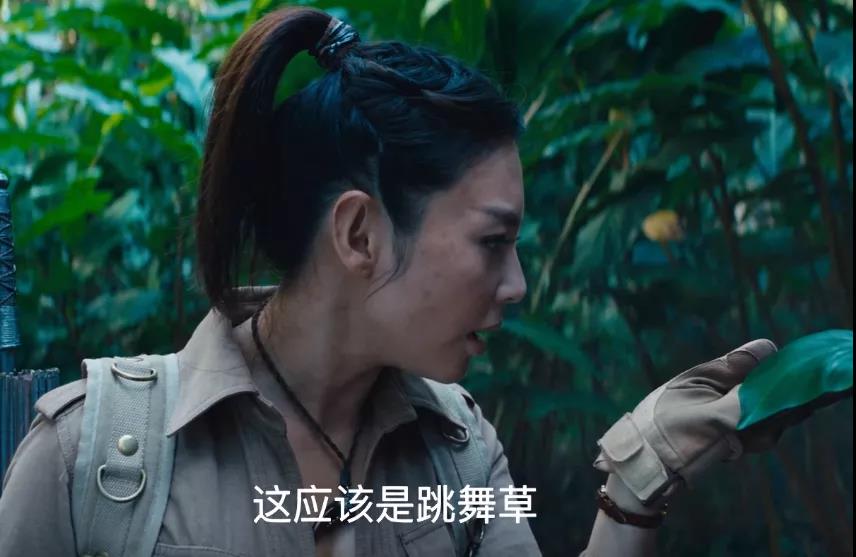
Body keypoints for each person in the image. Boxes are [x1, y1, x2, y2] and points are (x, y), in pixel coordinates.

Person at [0, 6, 799, 557]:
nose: (516, 284)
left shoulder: (461, 452)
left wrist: (638, 475)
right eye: (493, 241)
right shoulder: (89, 460)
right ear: (360, 234)